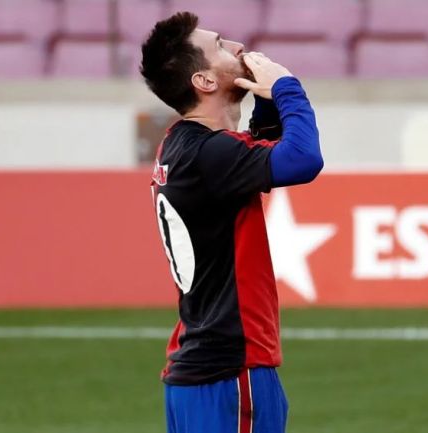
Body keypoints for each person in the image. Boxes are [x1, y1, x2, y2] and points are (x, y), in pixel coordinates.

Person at [140, 11, 323, 433]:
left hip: (195, 371)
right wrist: (287, 89)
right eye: (221, 45)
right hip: (230, 369)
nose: (238, 47)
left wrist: (266, 104)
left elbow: (251, 156)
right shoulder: (210, 154)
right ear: (203, 81)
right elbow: (303, 159)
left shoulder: (181, 143)